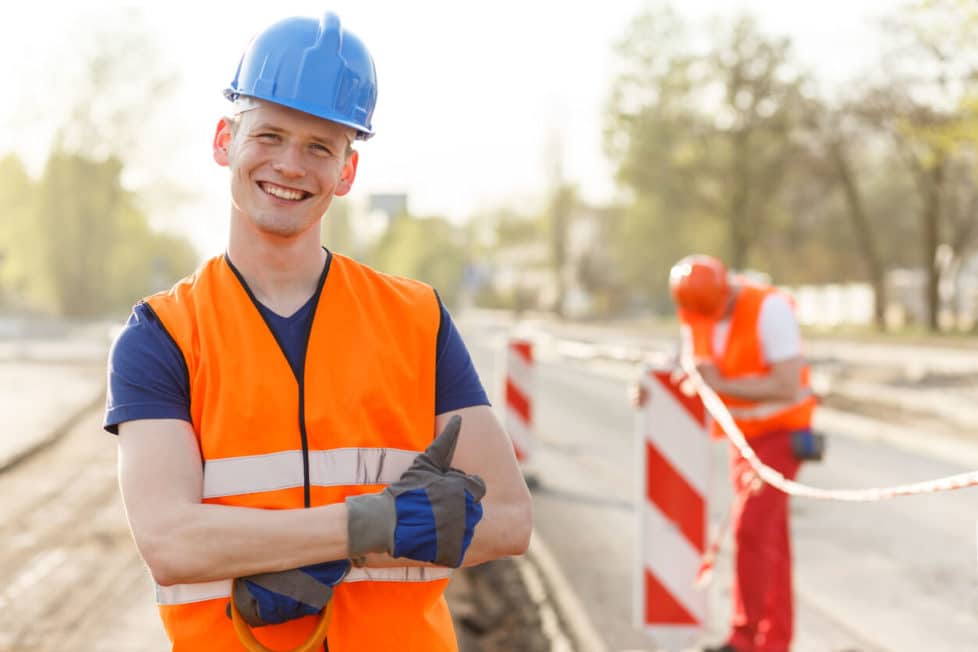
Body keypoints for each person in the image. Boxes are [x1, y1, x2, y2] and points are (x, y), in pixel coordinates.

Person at [104, 12, 532, 652]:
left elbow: (509, 519)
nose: (290, 165)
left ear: (347, 172)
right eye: (269, 135)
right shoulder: (163, 334)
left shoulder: (416, 318)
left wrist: (318, 553)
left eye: (318, 147)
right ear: (225, 140)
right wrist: (373, 523)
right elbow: (169, 542)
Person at [668, 254, 815, 652]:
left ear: (728, 288)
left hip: (782, 434)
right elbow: (694, 375)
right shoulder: (696, 315)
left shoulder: (770, 309)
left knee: (750, 530)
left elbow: (786, 385)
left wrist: (722, 385)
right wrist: (656, 390)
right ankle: (774, 641)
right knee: (769, 540)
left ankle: (746, 640)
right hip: (742, 439)